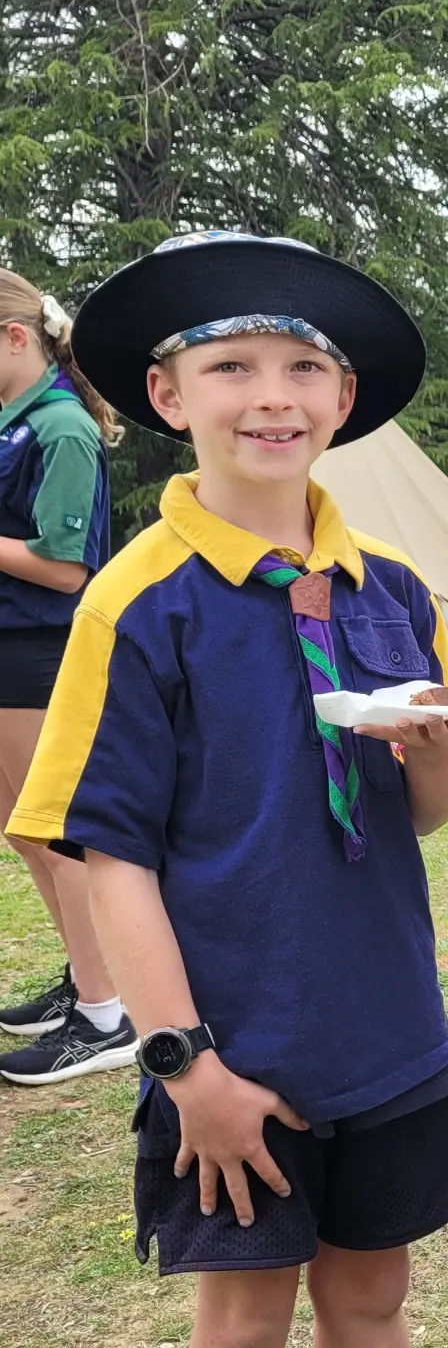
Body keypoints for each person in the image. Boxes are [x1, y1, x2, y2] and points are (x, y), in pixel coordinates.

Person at [6, 231, 448, 1346]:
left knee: (372, 1300)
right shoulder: (139, 605)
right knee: (248, 1314)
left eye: (304, 367)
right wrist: (185, 1067)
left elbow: (421, 813)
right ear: (167, 394)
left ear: (345, 395)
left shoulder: (392, 593)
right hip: (230, 1047)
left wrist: (439, 754)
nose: (273, 398)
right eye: (232, 367)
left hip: (387, 1032)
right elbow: (112, 863)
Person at [0, 268, 129, 1083]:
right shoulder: (14, 421)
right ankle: (85, 979)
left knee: (55, 833)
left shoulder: (60, 428)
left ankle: (106, 1013)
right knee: (23, 829)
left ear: (16, 338)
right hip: (8, 647)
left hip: (41, 652)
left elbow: (65, 569)